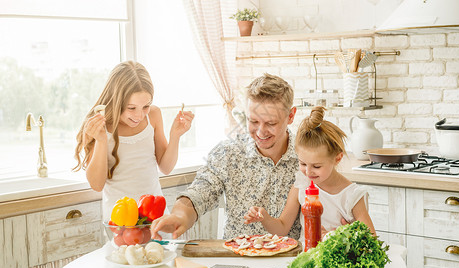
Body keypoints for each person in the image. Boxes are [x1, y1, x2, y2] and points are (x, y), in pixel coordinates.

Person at [150, 73, 301, 240]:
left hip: (291, 260)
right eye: (253, 121)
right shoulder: (228, 153)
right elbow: (199, 192)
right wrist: (180, 215)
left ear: (291, 116)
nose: (260, 132)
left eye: (271, 123)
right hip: (237, 260)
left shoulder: (308, 158)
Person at [73, 61, 194, 221]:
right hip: (120, 221)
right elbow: (97, 185)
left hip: (156, 216)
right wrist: (101, 141)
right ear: (116, 101)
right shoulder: (99, 125)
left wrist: (175, 136)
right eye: (131, 108)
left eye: (146, 106)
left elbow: (166, 167)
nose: (139, 115)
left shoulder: (154, 116)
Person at [244, 106, 376, 242]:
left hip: (338, 260)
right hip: (305, 257)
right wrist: (265, 218)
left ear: (337, 158)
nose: (308, 172)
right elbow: (282, 228)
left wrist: (341, 236)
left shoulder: (351, 195)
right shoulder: (302, 185)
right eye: (303, 164)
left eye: (316, 166)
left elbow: (371, 240)